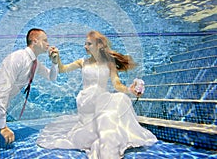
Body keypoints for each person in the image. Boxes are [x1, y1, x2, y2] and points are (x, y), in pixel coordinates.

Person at [37, 31, 157, 159]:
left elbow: (117, 84)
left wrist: (129, 89)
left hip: (101, 99)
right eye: (85, 44)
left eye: (89, 44)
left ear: (99, 45)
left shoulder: (109, 63)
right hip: (86, 102)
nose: (85, 46)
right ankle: (108, 143)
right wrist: (56, 60)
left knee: (120, 98)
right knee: (106, 111)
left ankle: (108, 143)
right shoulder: (82, 62)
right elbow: (62, 69)